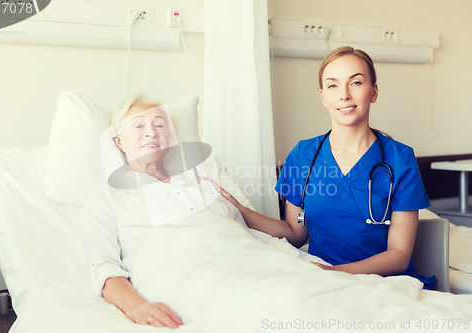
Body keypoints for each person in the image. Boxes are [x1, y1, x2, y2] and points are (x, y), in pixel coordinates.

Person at [81, 94, 329, 329]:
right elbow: (104, 267)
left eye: (159, 125)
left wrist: (298, 208)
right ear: (119, 142)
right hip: (196, 278)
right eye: (138, 126)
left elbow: (291, 234)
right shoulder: (107, 197)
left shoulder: (203, 184)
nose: (151, 132)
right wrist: (138, 308)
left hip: (257, 263)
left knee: (323, 299)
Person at [217, 46, 435, 289]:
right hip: (322, 284)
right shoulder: (303, 156)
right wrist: (239, 210)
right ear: (323, 97)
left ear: (373, 92)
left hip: (385, 285)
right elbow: (296, 233)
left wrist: (334, 272)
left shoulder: (400, 159)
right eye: (333, 85)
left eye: (356, 83)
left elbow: (399, 255)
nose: (344, 95)